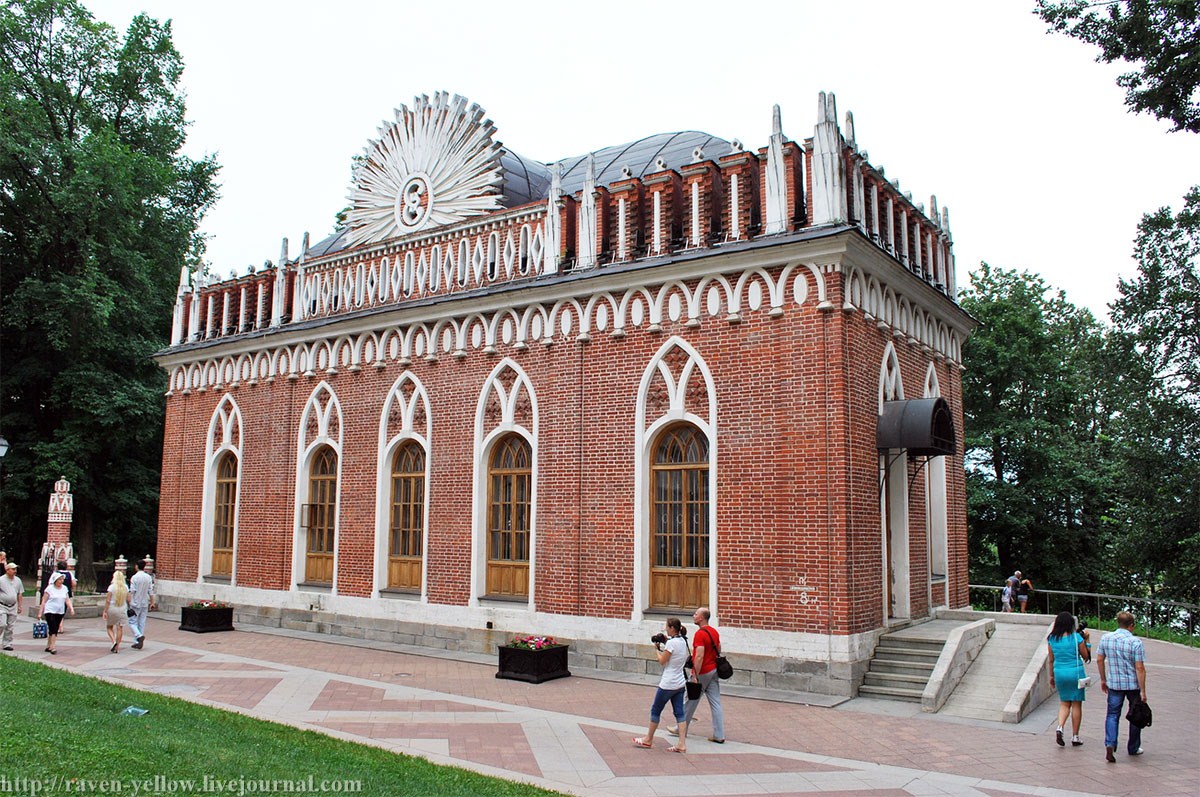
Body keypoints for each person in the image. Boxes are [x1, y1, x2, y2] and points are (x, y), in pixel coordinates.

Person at [633, 617, 691, 753]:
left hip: (667, 684)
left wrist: (657, 650)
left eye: (667, 626)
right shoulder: (683, 641)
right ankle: (681, 743)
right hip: (680, 683)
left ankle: (648, 739)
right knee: (680, 713)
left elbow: (662, 661)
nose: (665, 628)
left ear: (671, 628)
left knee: (655, 710)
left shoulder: (671, 644)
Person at [668, 607, 725, 743]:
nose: (693, 616)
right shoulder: (714, 632)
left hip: (703, 672)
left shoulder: (700, 634)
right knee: (715, 702)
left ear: (701, 618)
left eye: (696, 614)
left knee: (690, 700)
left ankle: (680, 728)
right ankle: (719, 735)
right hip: (713, 670)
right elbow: (719, 648)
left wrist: (695, 675)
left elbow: (698, 656)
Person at [1096, 611, 1147, 762]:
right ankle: (1133, 747)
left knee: (1112, 715)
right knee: (1135, 715)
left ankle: (1110, 743)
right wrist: (1143, 690)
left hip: (1114, 684)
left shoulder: (1106, 638)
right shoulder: (1135, 642)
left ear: (1118, 623)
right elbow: (1140, 668)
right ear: (1131, 626)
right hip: (1133, 685)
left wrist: (1103, 679)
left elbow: (1099, 659)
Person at [1046, 611, 1090, 747]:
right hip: (1076, 673)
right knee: (1076, 703)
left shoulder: (1052, 639)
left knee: (1064, 703)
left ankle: (1060, 726)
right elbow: (1086, 657)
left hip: (1060, 672)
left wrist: (1052, 676)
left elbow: (1051, 660)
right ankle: (1075, 736)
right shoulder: (1077, 637)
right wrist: (1087, 641)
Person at [37, 571, 74, 654]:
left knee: (55, 627)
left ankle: (48, 645)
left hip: (60, 611)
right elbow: (43, 601)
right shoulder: (49, 589)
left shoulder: (64, 588)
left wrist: (71, 608)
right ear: (55, 580)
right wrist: (40, 612)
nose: (61, 581)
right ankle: (53, 647)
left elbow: (67, 599)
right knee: (53, 627)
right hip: (50, 611)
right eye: (60, 579)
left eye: (62, 579)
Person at [128, 559, 156, 649]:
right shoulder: (148, 577)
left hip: (135, 602)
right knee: (142, 622)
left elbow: (132, 591)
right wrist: (152, 602)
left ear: (136, 566)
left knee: (132, 621)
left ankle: (138, 636)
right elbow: (150, 591)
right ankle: (138, 640)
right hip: (145, 602)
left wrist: (129, 601)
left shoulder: (134, 578)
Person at [104, 570, 132, 653]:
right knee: (120, 628)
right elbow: (129, 599)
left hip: (112, 608)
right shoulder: (125, 587)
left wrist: (105, 611)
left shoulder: (111, 587)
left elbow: (108, 600)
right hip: (123, 608)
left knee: (109, 627)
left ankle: (114, 641)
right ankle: (117, 646)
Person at [1, 562, 24, 651]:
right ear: (7, 570)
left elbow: (20, 593)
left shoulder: (18, 580)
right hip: (2, 606)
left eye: (15, 569)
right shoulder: (1, 580)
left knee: (10, 626)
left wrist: (20, 606)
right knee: (2, 624)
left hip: (13, 606)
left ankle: (7, 644)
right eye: (13, 569)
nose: (15, 571)